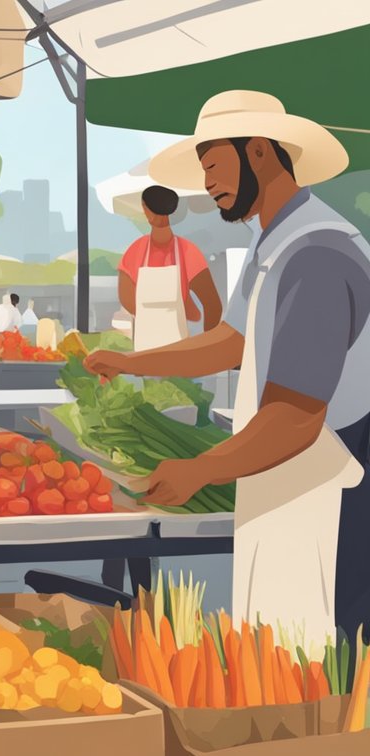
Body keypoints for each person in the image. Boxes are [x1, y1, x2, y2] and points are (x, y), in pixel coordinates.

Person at [84, 91, 370, 652]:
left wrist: (200, 469)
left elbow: (295, 415)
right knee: (277, 649)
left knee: (333, 657)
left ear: (260, 152)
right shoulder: (275, 238)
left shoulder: (317, 254)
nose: (208, 181)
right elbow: (231, 342)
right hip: (282, 471)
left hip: (336, 479)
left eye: (214, 163)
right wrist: (130, 361)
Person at [118, 185, 223, 350]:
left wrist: (207, 348)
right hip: (149, 351)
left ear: (145, 209)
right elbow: (212, 305)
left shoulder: (135, 251)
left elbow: (126, 299)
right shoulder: (188, 251)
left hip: (172, 352)